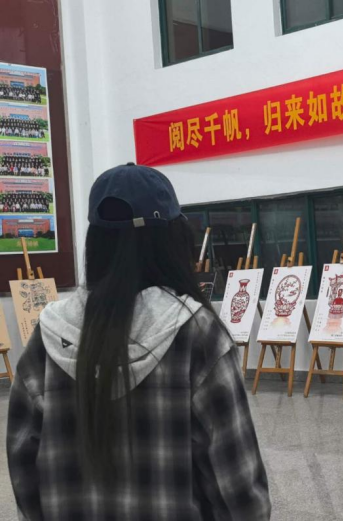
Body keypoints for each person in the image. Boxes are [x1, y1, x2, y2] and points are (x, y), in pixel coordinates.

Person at [6, 163, 271, 521]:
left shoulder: (48, 334)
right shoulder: (197, 333)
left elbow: (23, 468)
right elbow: (241, 492)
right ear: (172, 240)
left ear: (95, 242)